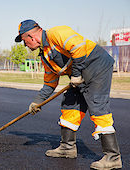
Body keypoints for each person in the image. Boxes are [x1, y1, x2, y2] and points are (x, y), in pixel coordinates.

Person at [15, 19, 122, 169]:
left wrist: (76, 74)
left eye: (24, 41)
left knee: (97, 106)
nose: (25, 45)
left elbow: (78, 47)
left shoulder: (56, 33)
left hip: (97, 66)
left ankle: (113, 157)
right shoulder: (45, 56)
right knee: (70, 104)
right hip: (78, 77)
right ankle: (67, 147)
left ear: (30, 36)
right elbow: (50, 83)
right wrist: (37, 102)